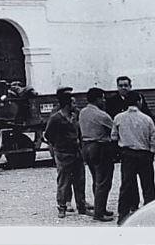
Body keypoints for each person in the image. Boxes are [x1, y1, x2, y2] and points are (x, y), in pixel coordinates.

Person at [43, 88, 91, 218]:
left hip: (76, 153)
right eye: (73, 103)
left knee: (80, 180)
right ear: (67, 104)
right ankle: (62, 207)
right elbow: (48, 135)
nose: (75, 106)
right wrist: (59, 145)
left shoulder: (75, 116)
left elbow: (80, 132)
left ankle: (82, 207)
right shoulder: (55, 118)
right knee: (64, 181)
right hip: (63, 154)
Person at [111, 94, 155, 225]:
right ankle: (151, 216)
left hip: (127, 155)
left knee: (126, 186)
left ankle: (123, 216)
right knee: (148, 187)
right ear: (139, 102)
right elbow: (154, 141)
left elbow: (114, 137)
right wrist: (151, 155)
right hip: (144, 155)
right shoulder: (147, 119)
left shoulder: (118, 118)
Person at [79, 87, 115, 222]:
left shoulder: (82, 112)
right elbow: (115, 130)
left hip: (86, 147)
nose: (104, 101)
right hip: (100, 147)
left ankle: (101, 207)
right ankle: (99, 213)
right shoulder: (102, 115)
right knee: (104, 181)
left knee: (96, 179)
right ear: (98, 99)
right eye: (102, 98)